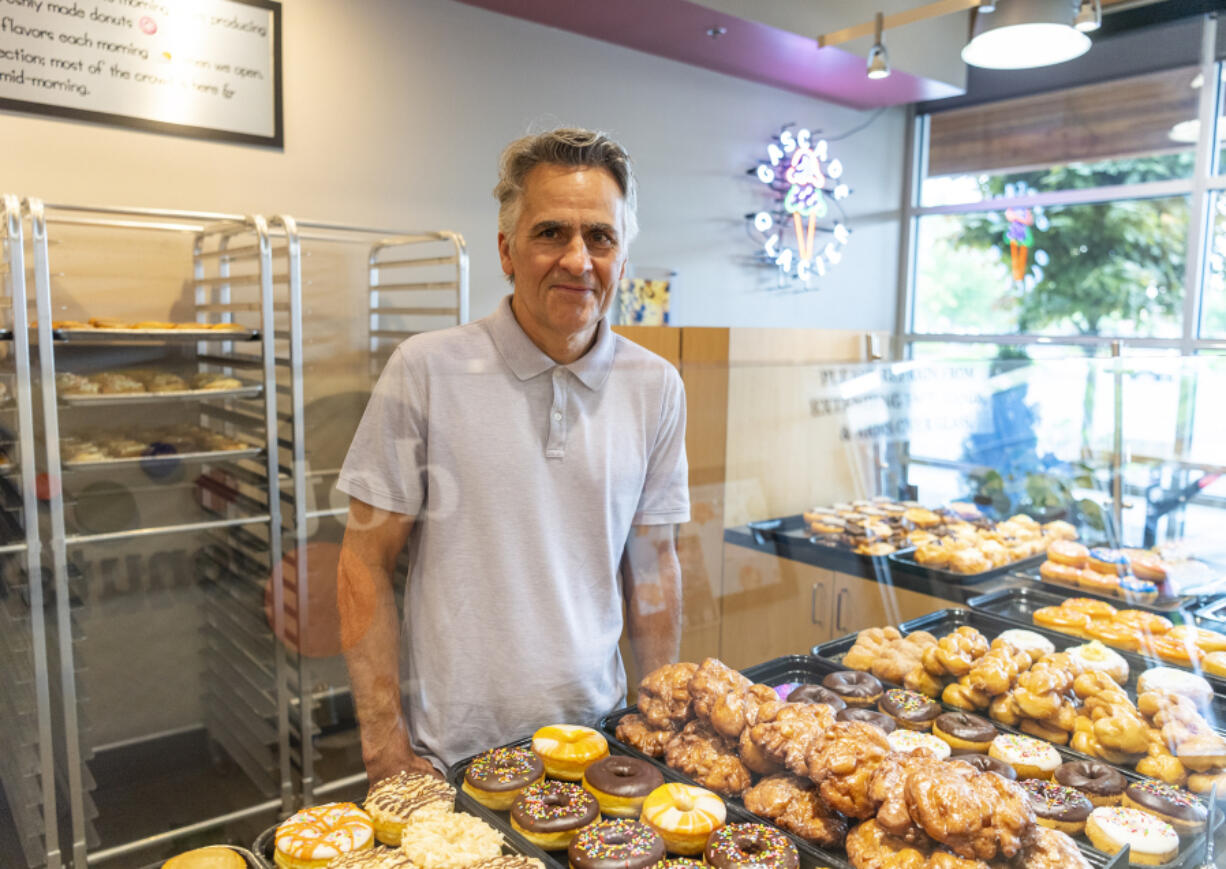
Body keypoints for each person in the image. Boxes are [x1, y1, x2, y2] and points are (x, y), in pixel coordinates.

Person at [336, 128, 690, 783]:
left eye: (601, 237)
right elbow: (363, 561)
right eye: (552, 233)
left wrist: (658, 720)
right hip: (455, 754)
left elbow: (653, 564)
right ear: (506, 249)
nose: (579, 260)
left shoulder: (656, 385)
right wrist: (384, 748)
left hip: (603, 741)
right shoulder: (427, 369)